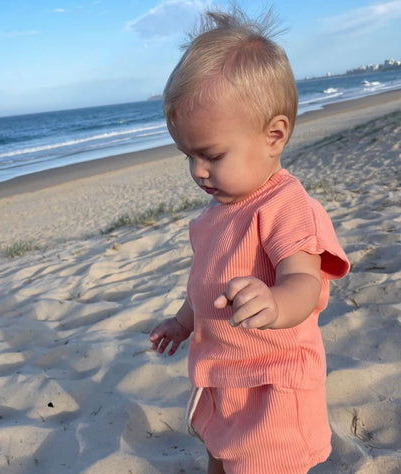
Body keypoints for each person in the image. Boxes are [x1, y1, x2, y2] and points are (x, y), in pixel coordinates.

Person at [150, 6, 350, 474]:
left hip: (273, 389)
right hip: (224, 379)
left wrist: (277, 302)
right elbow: (207, 286)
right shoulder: (212, 217)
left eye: (211, 155)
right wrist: (183, 322)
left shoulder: (286, 206)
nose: (198, 171)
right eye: (188, 156)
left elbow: (304, 281)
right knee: (219, 459)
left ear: (273, 136)